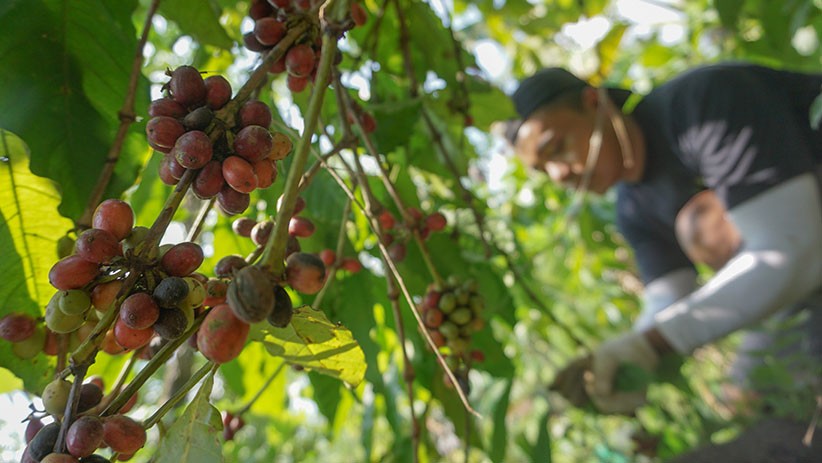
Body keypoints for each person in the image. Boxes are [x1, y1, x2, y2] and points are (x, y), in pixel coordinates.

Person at [508, 62, 822, 414]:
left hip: (806, 249)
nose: (559, 173)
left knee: (700, 225)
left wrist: (654, 344)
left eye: (557, 147)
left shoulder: (700, 107)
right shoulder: (633, 210)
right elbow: (667, 304)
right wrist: (623, 357)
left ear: (594, 103)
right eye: (542, 170)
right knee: (749, 398)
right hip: (807, 277)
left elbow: (791, 248)